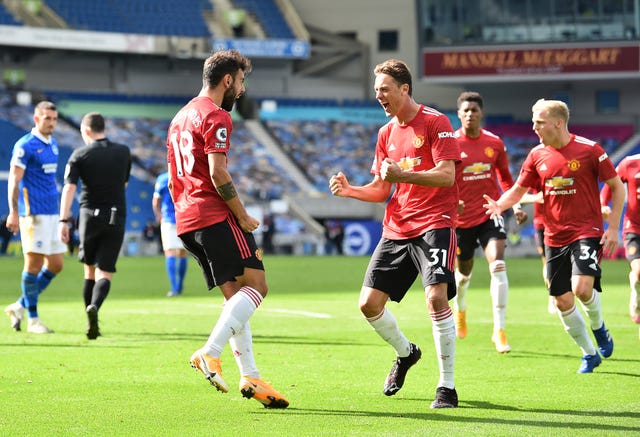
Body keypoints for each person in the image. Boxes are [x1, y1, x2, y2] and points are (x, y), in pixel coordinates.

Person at [329, 59, 460, 408]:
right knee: (368, 304)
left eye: (384, 89)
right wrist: (350, 190)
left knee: (436, 298)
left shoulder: (436, 122)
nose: (379, 96)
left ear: (404, 89)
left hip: (435, 222)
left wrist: (405, 177)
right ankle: (406, 353)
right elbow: (380, 188)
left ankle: (446, 387)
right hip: (397, 227)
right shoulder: (386, 132)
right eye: (376, 91)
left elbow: (447, 175)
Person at [166, 49, 289, 409]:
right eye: (242, 81)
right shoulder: (216, 116)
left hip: (186, 219)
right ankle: (210, 351)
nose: (243, 89)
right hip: (215, 215)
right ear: (228, 80)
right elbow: (219, 173)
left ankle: (251, 376)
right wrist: (243, 215)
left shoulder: (180, 116)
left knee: (235, 297)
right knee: (258, 286)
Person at [483, 98, 623, 373]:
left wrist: (614, 228)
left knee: (582, 289)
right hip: (554, 236)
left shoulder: (590, 150)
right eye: (533, 121)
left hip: (586, 230)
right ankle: (589, 353)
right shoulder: (536, 155)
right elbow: (520, 189)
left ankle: (599, 328)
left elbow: (617, 187)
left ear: (558, 122)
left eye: (539, 121)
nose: (534, 127)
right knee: (561, 300)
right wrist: (501, 204)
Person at [453, 91, 527, 353]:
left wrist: (515, 204)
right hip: (461, 220)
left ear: (481, 113)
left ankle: (499, 329)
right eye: (466, 110)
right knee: (462, 277)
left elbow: (506, 179)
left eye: (475, 109)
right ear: (459, 114)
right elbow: (443, 179)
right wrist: (452, 201)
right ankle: (460, 310)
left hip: (491, 212)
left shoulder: (494, 143)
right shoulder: (450, 143)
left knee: (497, 265)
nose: (470, 114)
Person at [58, 112, 131, 340]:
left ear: (86, 130)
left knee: (89, 270)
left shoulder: (79, 154)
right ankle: (96, 307)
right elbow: (125, 183)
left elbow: (69, 188)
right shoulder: (123, 152)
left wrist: (63, 220)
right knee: (105, 272)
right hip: (116, 215)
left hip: (89, 215)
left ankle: (89, 316)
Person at [4, 101, 65, 334]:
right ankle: (33, 320)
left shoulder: (54, 144)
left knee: (56, 265)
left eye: (54, 118)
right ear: (36, 118)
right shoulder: (25, 145)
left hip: (52, 213)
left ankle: (19, 306)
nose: (51, 122)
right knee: (33, 265)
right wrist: (14, 212)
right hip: (33, 214)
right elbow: (14, 180)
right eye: (47, 118)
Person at [600, 153, 640, 328]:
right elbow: (610, 184)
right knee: (638, 270)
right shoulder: (630, 163)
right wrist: (603, 204)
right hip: (634, 227)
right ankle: (636, 297)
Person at [153, 171, 188, 297]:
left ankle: (174, 288)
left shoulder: (163, 178)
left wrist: (158, 215)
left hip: (168, 219)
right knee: (183, 253)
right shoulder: (185, 175)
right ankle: (179, 285)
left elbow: (156, 199)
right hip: (184, 217)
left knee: (170, 251)